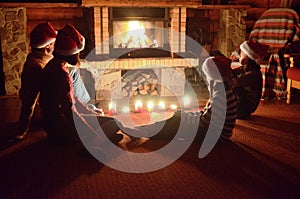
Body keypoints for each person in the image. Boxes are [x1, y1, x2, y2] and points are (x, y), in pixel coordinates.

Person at [39, 24, 139, 149]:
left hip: (51, 123)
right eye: (79, 53)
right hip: (60, 127)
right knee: (114, 123)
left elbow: (74, 99)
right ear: (72, 53)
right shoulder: (61, 75)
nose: (80, 56)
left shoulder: (54, 66)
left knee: (106, 121)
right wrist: (92, 135)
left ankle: (109, 137)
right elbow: (71, 112)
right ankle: (93, 144)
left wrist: (93, 114)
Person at [125, 56, 238, 144]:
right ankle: (141, 130)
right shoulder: (223, 88)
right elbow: (207, 116)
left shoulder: (220, 95)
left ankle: (141, 132)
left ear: (212, 75)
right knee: (178, 117)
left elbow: (204, 122)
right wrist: (186, 115)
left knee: (174, 124)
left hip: (215, 136)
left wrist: (186, 118)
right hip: (216, 132)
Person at [15, 22, 57, 140]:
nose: (55, 45)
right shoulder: (35, 67)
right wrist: (21, 131)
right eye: (53, 43)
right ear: (47, 47)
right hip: (45, 113)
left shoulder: (41, 59)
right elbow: (29, 100)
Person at [233, 39, 269, 119]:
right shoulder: (244, 69)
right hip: (243, 106)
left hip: (244, 109)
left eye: (242, 53)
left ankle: (225, 110)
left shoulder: (254, 74)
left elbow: (234, 82)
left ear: (249, 56)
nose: (239, 54)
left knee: (232, 85)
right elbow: (231, 72)